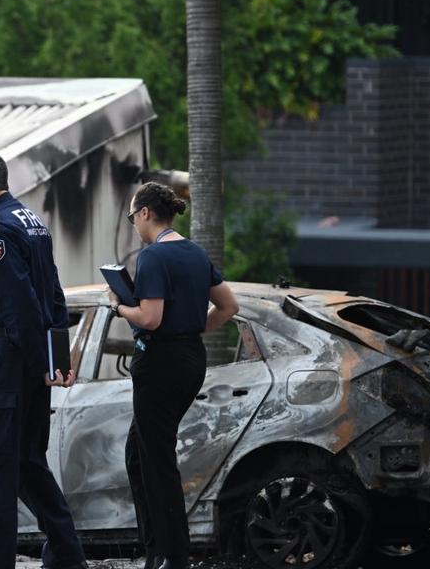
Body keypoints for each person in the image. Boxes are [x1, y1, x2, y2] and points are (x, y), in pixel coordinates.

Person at [0, 151, 87, 569]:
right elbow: (53, 295)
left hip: (5, 360)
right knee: (29, 464)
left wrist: (35, 362)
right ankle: (68, 556)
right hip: (29, 360)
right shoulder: (32, 221)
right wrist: (54, 360)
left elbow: (19, 305)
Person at [109, 182, 238, 569]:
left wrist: (118, 308)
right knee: (140, 452)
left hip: (160, 363)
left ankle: (172, 554)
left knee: (156, 458)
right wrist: (195, 329)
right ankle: (157, 547)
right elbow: (228, 305)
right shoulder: (195, 252)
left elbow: (150, 317)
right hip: (189, 359)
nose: (133, 224)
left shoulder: (153, 257)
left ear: (146, 213)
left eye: (132, 216)